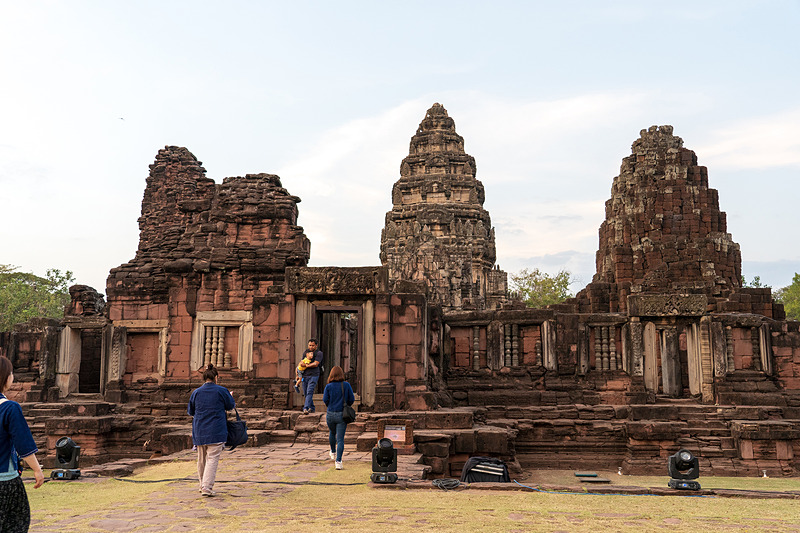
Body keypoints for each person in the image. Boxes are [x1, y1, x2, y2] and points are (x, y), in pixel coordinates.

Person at [0, 355, 44, 533]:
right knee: (15, 525)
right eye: (11, 373)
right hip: (5, 481)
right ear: (6, 377)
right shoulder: (10, 408)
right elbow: (23, 444)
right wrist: (37, 469)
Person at [188, 364, 235, 497]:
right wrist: (230, 396)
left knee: (201, 459)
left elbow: (191, 411)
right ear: (216, 378)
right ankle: (206, 488)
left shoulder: (196, 392)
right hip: (216, 430)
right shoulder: (221, 390)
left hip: (199, 430)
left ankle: (202, 484)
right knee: (212, 459)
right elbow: (230, 406)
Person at [322, 365, 355, 470]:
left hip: (330, 413)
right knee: (340, 439)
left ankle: (332, 451)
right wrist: (346, 405)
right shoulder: (346, 385)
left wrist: (330, 405)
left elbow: (325, 399)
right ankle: (338, 462)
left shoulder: (328, 386)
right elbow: (351, 399)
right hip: (342, 414)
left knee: (332, 433)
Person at [300, 339, 323, 414]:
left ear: (316, 345)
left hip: (314, 375)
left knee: (310, 391)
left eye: (313, 345)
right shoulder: (305, 352)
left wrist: (306, 365)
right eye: (310, 345)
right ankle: (312, 407)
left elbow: (316, 364)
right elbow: (301, 363)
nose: (311, 347)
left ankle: (305, 408)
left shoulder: (319, 353)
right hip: (305, 375)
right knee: (306, 392)